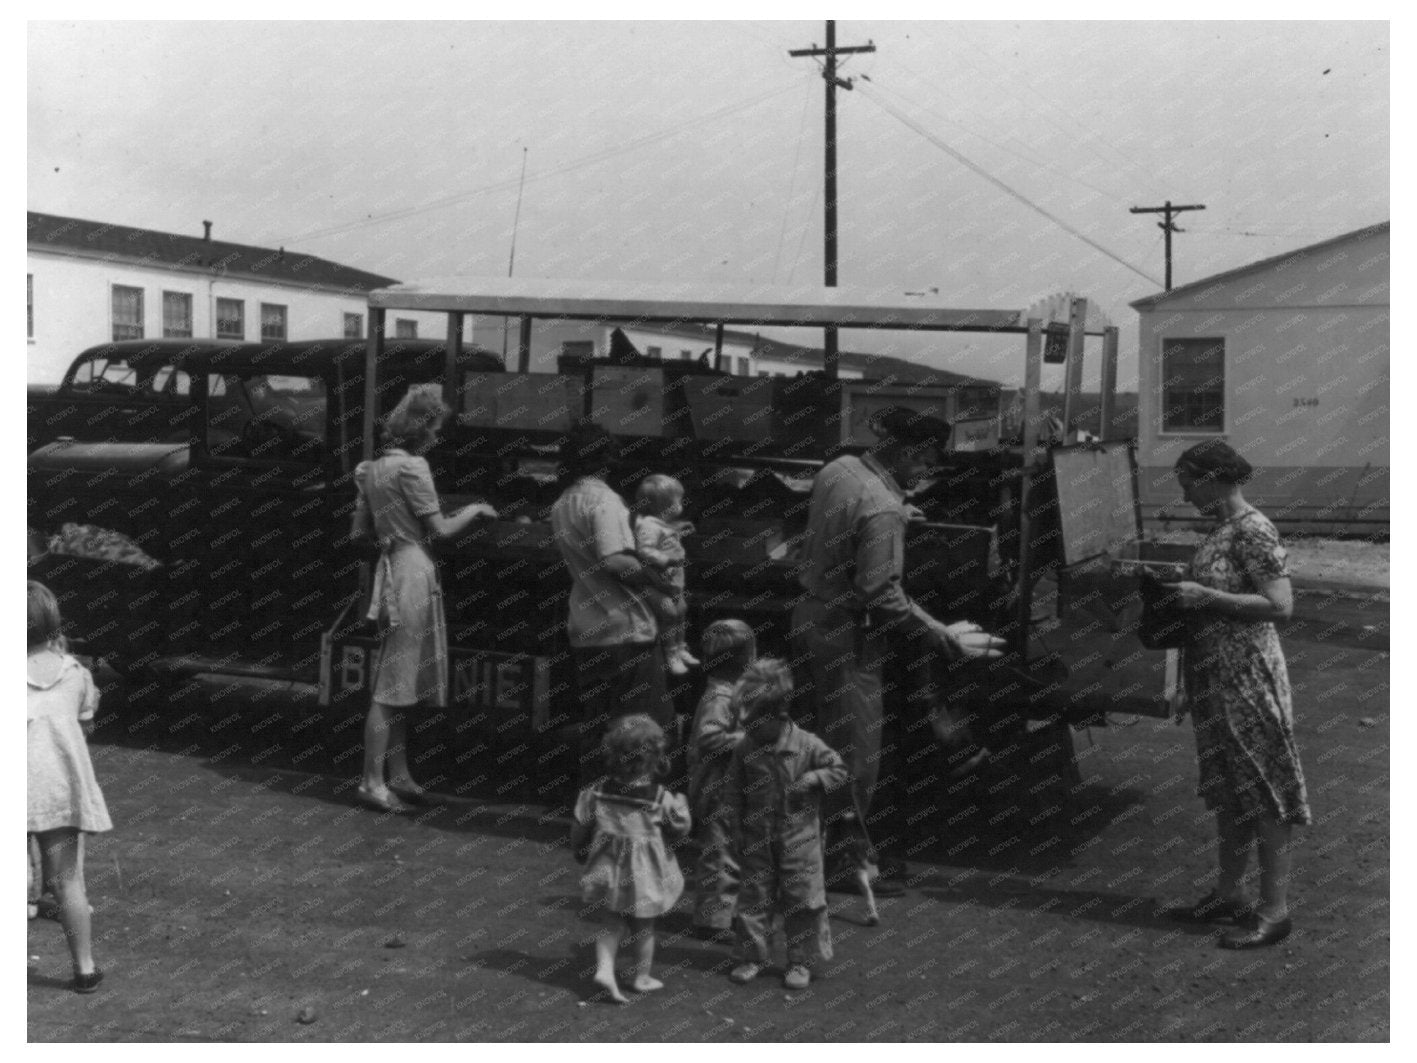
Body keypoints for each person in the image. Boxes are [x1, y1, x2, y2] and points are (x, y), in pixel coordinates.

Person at [789, 406, 1003, 895]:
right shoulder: (882, 505)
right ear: (906, 451)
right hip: (848, 635)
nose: (927, 472)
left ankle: (808, 847)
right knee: (855, 756)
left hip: (809, 617)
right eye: (925, 461)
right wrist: (940, 636)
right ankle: (840, 865)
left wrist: (897, 511)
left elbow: (852, 514)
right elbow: (882, 596)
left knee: (816, 739)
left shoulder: (839, 468)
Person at [1161, 440, 1310, 949]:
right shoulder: (1219, 532)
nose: (1183, 495)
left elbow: (1280, 605)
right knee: (1229, 787)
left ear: (1211, 478)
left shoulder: (1253, 529)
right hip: (1214, 675)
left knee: (1264, 789)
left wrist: (1208, 596)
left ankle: (1275, 910)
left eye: (1187, 484)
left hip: (1248, 676)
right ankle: (1230, 894)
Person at [351, 385, 498, 813]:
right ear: (425, 428)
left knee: (400, 680)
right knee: (391, 685)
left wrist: (390, 526)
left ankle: (397, 774)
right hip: (412, 571)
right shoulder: (414, 467)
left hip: (391, 568)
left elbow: (357, 532)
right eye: (436, 425)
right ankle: (371, 781)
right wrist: (476, 509)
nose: (438, 433)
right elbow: (443, 530)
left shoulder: (372, 469)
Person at [550, 420, 674, 780]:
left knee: (600, 726)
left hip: (587, 628)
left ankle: (596, 807)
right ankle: (633, 807)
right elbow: (614, 559)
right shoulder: (604, 501)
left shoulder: (562, 503)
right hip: (624, 630)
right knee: (641, 728)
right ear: (606, 460)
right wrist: (658, 580)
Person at [724, 659, 848, 991]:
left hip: (801, 838)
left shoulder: (807, 744)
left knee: (803, 899)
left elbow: (839, 770)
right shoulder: (746, 748)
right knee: (754, 897)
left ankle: (799, 961)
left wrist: (815, 777)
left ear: (778, 716)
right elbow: (733, 791)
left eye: (753, 723)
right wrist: (734, 826)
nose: (747, 730)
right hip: (756, 836)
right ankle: (752, 956)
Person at [570, 715, 691, 1003]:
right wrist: (683, 810)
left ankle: (604, 969)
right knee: (644, 926)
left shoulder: (596, 792)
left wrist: (578, 848)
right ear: (655, 758)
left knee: (610, 921)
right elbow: (680, 829)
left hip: (607, 869)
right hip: (644, 874)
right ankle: (641, 976)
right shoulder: (659, 797)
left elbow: (579, 824)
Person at [28, 580, 112, 993]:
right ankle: (84, 968)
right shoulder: (76, 673)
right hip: (59, 791)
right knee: (67, 881)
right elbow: (86, 721)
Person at [686, 618, 755, 938]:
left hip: (728, 788)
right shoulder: (720, 698)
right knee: (720, 855)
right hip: (715, 789)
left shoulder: (730, 693)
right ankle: (711, 922)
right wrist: (749, 739)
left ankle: (727, 913)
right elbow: (709, 738)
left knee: (732, 852)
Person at [633, 474, 700, 675]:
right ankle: (670, 652)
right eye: (677, 500)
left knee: (681, 609)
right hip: (658, 581)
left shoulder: (659, 524)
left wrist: (678, 529)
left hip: (673, 582)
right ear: (665, 505)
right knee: (669, 613)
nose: (681, 504)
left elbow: (665, 534)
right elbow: (644, 550)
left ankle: (681, 647)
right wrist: (666, 559)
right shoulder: (647, 526)